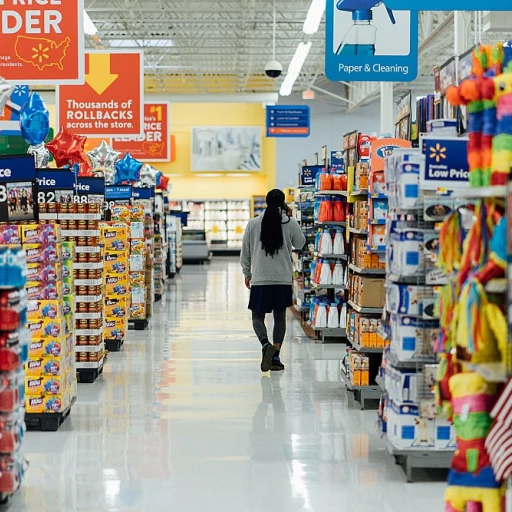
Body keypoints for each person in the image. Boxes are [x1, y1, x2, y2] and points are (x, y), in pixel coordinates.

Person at [241, 189, 306, 372]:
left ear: (267, 202)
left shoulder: (253, 224)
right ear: (283, 202)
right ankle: (275, 356)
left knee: (257, 317)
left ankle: (265, 344)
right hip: (282, 278)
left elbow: (245, 252)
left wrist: (247, 273)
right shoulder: (289, 222)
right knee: (279, 317)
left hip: (260, 278)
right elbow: (300, 243)